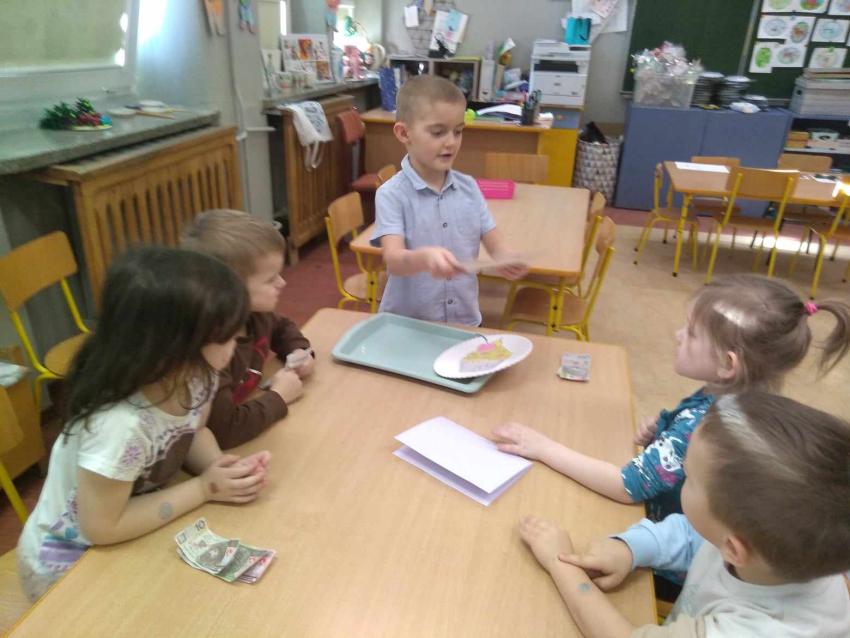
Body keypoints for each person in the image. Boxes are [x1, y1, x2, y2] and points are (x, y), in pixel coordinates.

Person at [17, 247, 270, 601]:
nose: (238, 340)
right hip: (66, 566)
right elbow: (103, 527)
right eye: (227, 335)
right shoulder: (119, 426)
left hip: (128, 526)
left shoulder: (197, 375)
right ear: (177, 347)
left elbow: (192, 429)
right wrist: (204, 489)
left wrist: (217, 467)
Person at [493, 274, 850, 522]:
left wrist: (542, 447)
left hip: (664, 553)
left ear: (728, 364)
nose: (678, 335)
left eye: (691, 333)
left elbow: (625, 487)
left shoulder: (706, 426)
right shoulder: (742, 395)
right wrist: (664, 431)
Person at [518, 392, 850, 638]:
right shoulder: (773, 548)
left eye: (688, 478)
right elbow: (693, 536)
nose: (681, 481)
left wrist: (561, 565)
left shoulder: (754, 631)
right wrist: (631, 548)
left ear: (734, 549)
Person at [371, 75, 527, 326]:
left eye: (458, 131)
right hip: (407, 325)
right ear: (404, 133)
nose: (451, 142)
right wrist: (424, 258)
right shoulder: (391, 194)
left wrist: (506, 257)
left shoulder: (469, 188)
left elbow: (495, 242)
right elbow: (394, 260)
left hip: (463, 321)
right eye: (438, 132)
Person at [181, 209, 314, 449]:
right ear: (229, 289)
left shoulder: (257, 315)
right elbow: (225, 430)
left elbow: (282, 327)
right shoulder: (213, 349)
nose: (282, 283)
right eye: (270, 279)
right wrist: (279, 397)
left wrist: (299, 351)